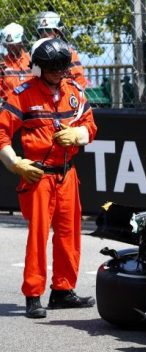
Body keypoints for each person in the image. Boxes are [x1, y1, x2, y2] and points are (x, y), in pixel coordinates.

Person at [0, 38, 97, 319]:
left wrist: (78, 135)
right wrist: (16, 163)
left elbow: (90, 125)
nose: (59, 72)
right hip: (38, 176)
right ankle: (33, 294)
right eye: (53, 67)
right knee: (39, 236)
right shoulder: (22, 94)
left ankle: (63, 291)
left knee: (69, 233)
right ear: (39, 68)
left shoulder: (74, 91)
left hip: (67, 174)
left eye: (62, 66)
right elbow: (2, 133)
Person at [35, 11, 87, 88]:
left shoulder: (69, 53)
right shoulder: (35, 53)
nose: (44, 34)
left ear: (58, 33)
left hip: (64, 95)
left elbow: (80, 80)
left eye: (49, 30)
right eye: (42, 31)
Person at [1, 23, 32, 102]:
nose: (10, 48)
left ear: (22, 42)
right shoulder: (2, 64)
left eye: (14, 45)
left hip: (32, 104)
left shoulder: (32, 60)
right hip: (9, 107)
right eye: (7, 45)